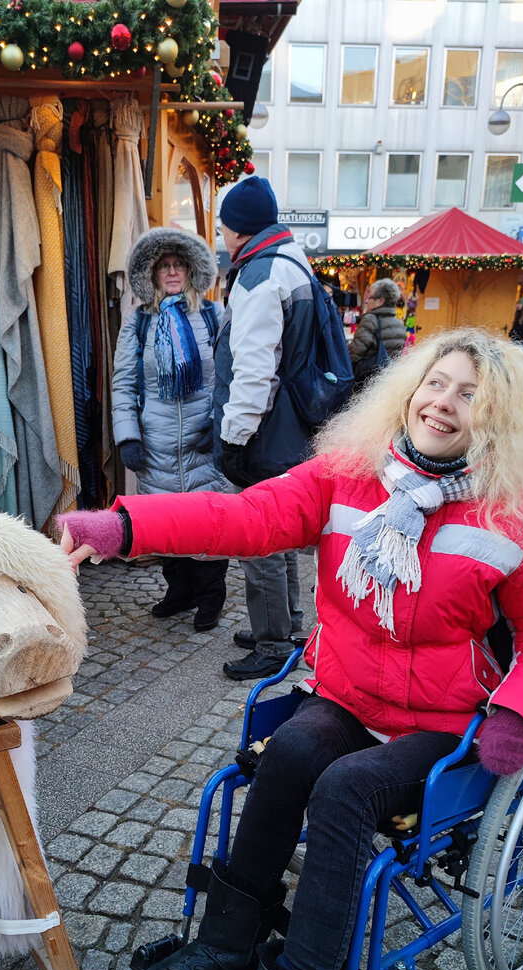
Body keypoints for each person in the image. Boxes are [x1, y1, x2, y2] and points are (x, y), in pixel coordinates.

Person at [59, 327, 523, 970]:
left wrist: (520, 717)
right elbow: (244, 515)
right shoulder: (351, 476)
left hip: (443, 732)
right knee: (295, 751)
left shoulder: (517, 519)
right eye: (435, 384)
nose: (442, 403)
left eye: (468, 397)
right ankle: (231, 948)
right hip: (347, 695)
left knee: (346, 790)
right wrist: (126, 524)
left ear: (499, 422)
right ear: (409, 388)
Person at [214, 175, 314, 680]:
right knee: (284, 531)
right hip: (292, 428)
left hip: (267, 432)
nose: (222, 234)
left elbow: (254, 371)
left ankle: (273, 644)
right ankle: (287, 624)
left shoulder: (258, 275)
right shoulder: (294, 262)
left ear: (239, 229)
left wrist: (234, 438)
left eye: (224, 224)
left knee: (260, 537)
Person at [111, 227, 228, 632]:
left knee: (209, 524)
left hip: (203, 444)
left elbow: (232, 376)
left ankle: (211, 597)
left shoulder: (213, 315)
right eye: (165, 265)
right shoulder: (139, 322)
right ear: (154, 273)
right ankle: (179, 592)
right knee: (167, 528)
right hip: (156, 445)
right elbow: (123, 381)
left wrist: (220, 424)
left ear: (191, 270)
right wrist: (127, 435)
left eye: (179, 264)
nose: (173, 271)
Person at [348, 277, 406, 378]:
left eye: (370, 297)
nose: (367, 300)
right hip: (388, 378)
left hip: (368, 379)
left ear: (380, 301)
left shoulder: (370, 319)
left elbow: (354, 353)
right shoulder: (399, 324)